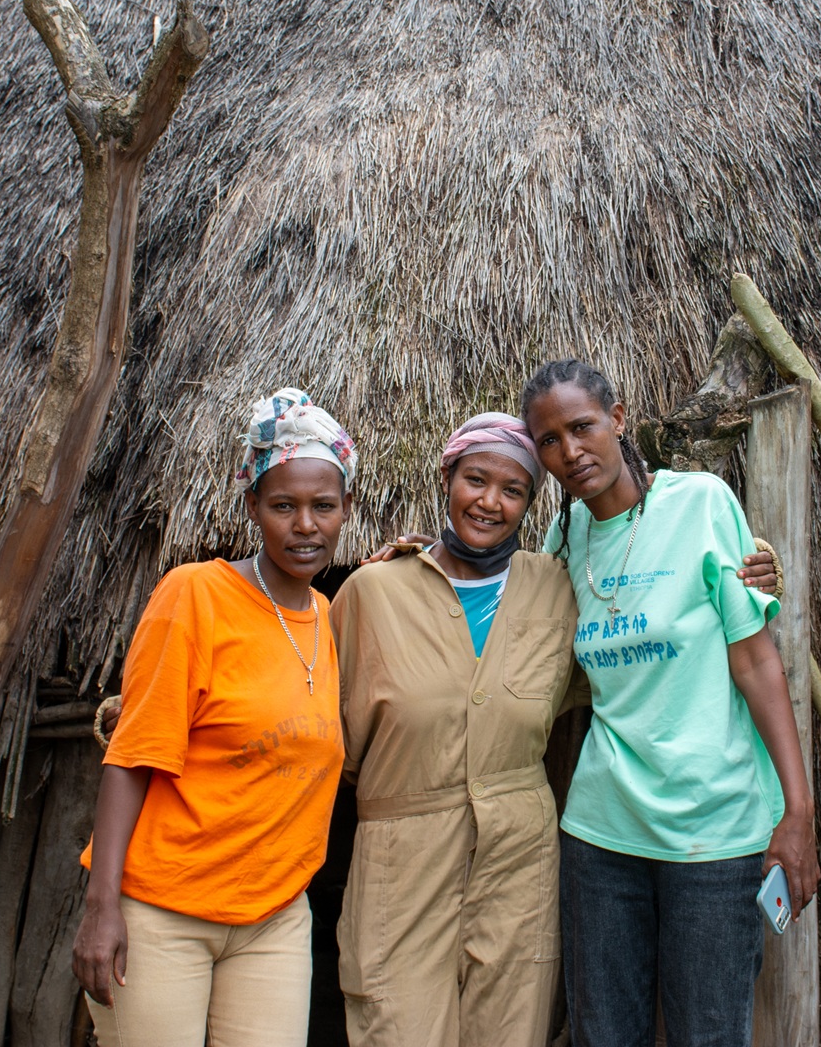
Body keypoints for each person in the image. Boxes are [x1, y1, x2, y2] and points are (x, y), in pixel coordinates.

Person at [332, 414, 780, 1047]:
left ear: (530, 504)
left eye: (512, 490)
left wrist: (755, 571)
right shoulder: (371, 592)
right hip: (401, 857)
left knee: (512, 1029)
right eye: (475, 480)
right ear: (446, 479)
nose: (489, 501)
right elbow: (330, 748)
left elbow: (639, 637)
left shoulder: (555, 586)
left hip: (521, 854)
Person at [520, 358, 819, 1047]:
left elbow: (756, 660)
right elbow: (506, 629)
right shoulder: (563, 541)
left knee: (709, 1035)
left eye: (583, 427)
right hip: (601, 832)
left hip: (714, 832)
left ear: (619, 420)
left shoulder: (701, 503)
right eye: (549, 441)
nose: (570, 452)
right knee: (604, 1036)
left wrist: (798, 814)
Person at [72, 388, 356, 1047]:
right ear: (252, 506)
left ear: (348, 510)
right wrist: (102, 906)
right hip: (162, 910)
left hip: (273, 917)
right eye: (283, 506)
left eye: (323, 506)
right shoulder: (195, 595)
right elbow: (134, 754)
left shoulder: (329, 620)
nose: (305, 525)